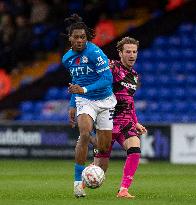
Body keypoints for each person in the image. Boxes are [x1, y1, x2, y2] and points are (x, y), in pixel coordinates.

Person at [73, 37, 147, 198]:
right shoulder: (112, 68)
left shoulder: (134, 75)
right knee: (101, 167)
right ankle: (82, 182)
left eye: (134, 52)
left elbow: (129, 99)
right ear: (120, 53)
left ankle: (123, 190)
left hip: (126, 123)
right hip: (108, 122)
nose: (132, 55)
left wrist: (136, 122)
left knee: (135, 149)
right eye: (128, 51)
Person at [61, 14, 117, 198]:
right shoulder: (67, 59)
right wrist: (72, 104)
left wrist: (83, 89)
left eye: (83, 37)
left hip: (105, 100)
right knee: (84, 133)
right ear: (70, 38)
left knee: (103, 147)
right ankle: (78, 183)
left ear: (87, 38)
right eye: (76, 37)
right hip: (85, 101)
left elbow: (108, 79)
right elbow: (75, 80)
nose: (79, 41)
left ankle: (95, 161)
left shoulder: (95, 52)